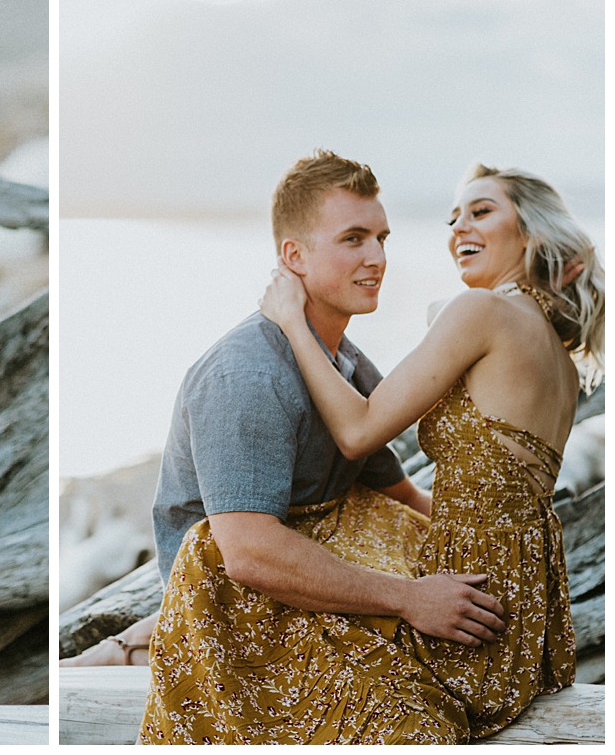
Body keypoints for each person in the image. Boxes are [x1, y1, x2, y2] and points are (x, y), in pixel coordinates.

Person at [115, 151, 508, 743]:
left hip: (320, 576)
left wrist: (494, 551)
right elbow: (247, 553)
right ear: (293, 256)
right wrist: (408, 599)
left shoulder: (343, 363)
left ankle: (125, 646)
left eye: (381, 237)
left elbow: (395, 491)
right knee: (412, 724)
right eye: (353, 239)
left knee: (481, 659)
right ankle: (132, 648)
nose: (376, 258)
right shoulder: (244, 375)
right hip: (231, 605)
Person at [239, 163, 595, 741]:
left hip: (466, 609)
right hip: (526, 610)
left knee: (237, 592)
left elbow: (358, 432)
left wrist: (292, 321)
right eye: (454, 218)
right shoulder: (553, 346)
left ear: (531, 233)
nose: (459, 229)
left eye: (481, 212)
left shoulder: (482, 312)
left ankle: (127, 652)